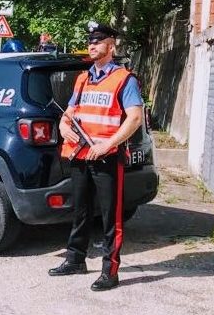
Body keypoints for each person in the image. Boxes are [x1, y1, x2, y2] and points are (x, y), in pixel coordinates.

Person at [48, 21, 143, 291]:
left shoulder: (124, 79)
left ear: (111, 45)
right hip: (80, 154)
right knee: (80, 211)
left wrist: (108, 144)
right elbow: (68, 114)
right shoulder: (83, 78)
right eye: (90, 41)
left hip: (107, 157)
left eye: (98, 41)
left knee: (111, 217)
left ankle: (110, 271)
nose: (92, 45)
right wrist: (64, 128)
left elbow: (134, 118)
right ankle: (75, 259)